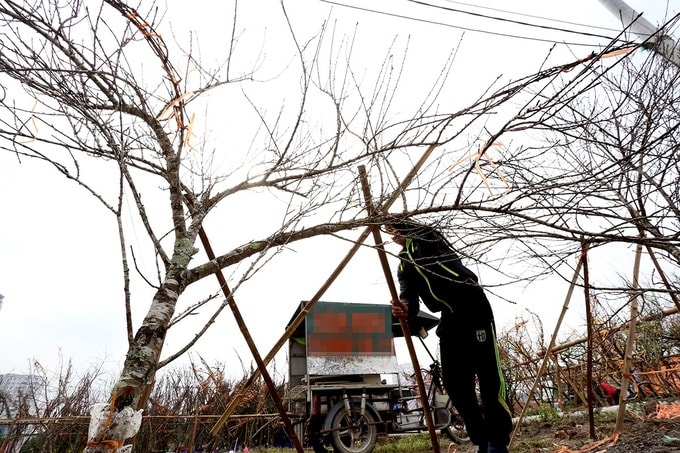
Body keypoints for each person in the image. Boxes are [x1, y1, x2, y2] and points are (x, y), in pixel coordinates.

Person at [386, 220, 513, 453]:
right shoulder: (404, 264)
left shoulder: (431, 243)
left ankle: (497, 440)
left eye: (395, 229)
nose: (393, 235)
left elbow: (431, 239)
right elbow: (409, 297)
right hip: (450, 318)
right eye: (388, 232)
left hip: (474, 309)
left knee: (489, 379)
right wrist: (404, 307)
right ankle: (482, 441)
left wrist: (412, 237)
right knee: (455, 385)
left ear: (408, 228)